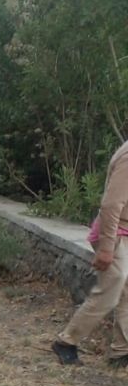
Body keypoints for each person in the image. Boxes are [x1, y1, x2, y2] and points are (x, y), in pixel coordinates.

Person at [53, 139, 128, 367]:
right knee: (111, 288)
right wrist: (106, 248)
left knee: (126, 291)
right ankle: (66, 341)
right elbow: (111, 204)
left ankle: (121, 352)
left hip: (123, 230)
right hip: (114, 233)